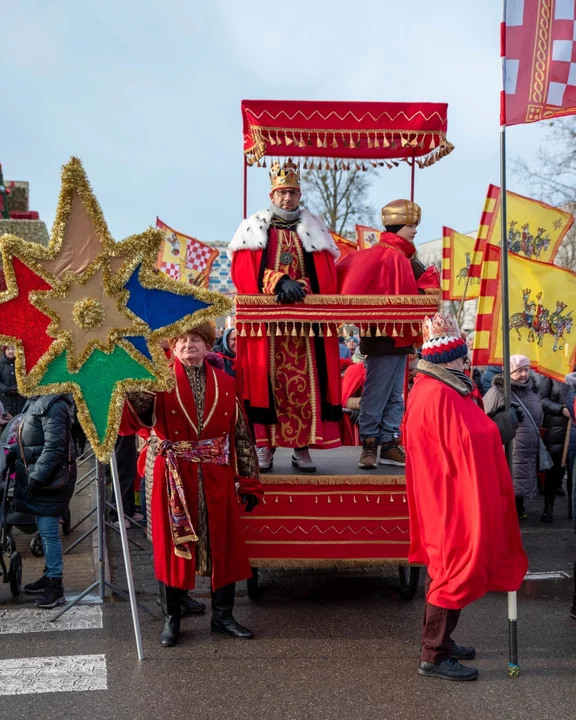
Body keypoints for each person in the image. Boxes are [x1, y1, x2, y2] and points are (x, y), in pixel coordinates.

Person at [122, 321, 264, 647]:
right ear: (173, 345)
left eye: (196, 339)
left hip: (216, 474)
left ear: (208, 346)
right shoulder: (156, 381)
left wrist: (250, 481)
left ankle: (223, 616)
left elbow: (240, 435)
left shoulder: (227, 383)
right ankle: (172, 618)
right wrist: (129, 384)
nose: (189, 345)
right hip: (174, 475)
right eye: (183, 340)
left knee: (223, 545)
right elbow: (140, 415)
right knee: (175, 547)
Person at [404, 314, 527, 681]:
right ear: (447, 358)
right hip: (448, 499)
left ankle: (441, 639)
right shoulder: (438, 392)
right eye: (459, 355)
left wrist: (491, 425)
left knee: (444, 568)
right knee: (451, 570)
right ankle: (434, 654)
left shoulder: (436, 387)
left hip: (445, 492)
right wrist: (500, 428)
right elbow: (467, 441)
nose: (464, 361)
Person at [229, 159, 342, 472]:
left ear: (299, 194)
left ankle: (301, 449)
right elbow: (243, 274)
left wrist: (302, 286)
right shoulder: (254, 229)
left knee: (307, 388)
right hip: (269, 331)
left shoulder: (315, 229)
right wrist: (278, 282)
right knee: (267, 386)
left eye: (292, 192)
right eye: (282, 193)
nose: (287, 198)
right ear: (272, 194)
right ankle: (266, 447)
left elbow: (327, 278)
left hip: (305, 331)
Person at [337, 199, 439, 469]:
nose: (415, 230)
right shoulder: (388, 255)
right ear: (396, 227)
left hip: (400, 337)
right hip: (383, 336)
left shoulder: (405, 257)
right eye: (410, 225)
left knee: (395, 394)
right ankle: (369, 444)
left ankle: (389, 442)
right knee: (377, 392)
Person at [7, 393, 77, 608]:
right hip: (42, 478)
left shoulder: (52, 405)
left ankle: (55, 586)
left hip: (49, 481)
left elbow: (55, 446)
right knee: (45, 531)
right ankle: (49, 575)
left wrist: (37, 477)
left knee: (48, 533)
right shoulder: (37, 402)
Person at [484, 355, 542, 520]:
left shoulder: (533, 390)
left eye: (526, 369)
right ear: (508, 372)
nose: (524, 374)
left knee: (522, 476)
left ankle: (518, 507)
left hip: (528, 446)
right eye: (518, 371)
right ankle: (509, 511)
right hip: (510, 445)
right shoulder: (498, 391)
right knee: (510, 478)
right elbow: (484, 416)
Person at [539, 375, 572, 522]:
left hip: (574, 430)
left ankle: (573, 510)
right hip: (556, 431)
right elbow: (542, 399)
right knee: (553, 473)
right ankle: (548, 508)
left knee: (573, 475)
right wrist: (561, 409)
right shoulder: (553, 373)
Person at [0, 346, 26, 417]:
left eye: (13, 349)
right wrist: (6, 389)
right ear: (5, 351)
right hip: (6, 399)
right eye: (8, 349)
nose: (11, 351)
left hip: (20, 398)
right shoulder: (1, 363)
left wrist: (19, 387)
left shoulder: (22, 362)